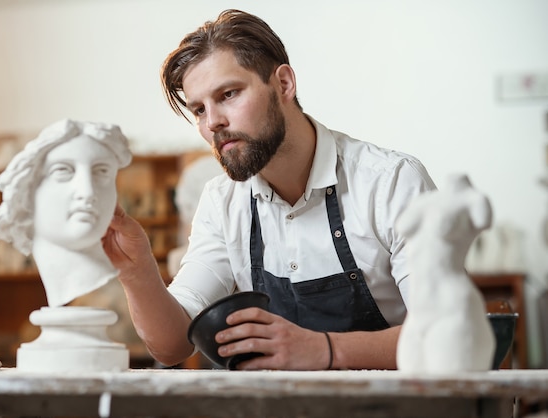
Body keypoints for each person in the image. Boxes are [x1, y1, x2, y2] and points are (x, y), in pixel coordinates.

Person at [103, 9, 436, 370]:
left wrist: (326, 350)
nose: (213, 122)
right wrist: (136, 272)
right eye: (199, 109)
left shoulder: (390, 182)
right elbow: (171, 346)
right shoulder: (222, 202)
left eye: (228, 94)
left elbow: (443, 333)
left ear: (284, 84)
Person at [0, 119, 132, 307]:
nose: (88, 192)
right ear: (28, 189)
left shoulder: (120, 286)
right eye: (63, 170)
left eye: (101, 171)